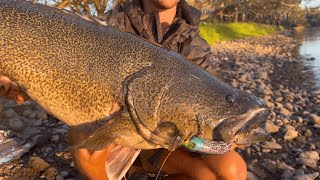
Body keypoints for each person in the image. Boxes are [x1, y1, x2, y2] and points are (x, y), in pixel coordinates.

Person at [0, 0, 247, 179]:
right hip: (109, 137)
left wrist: (216, 136)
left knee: (229, 170)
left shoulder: (195, 44)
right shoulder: (111, 24)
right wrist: (23, 87)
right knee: (88, 128)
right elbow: (62, 87)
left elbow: (195, 113)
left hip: (159, 143)